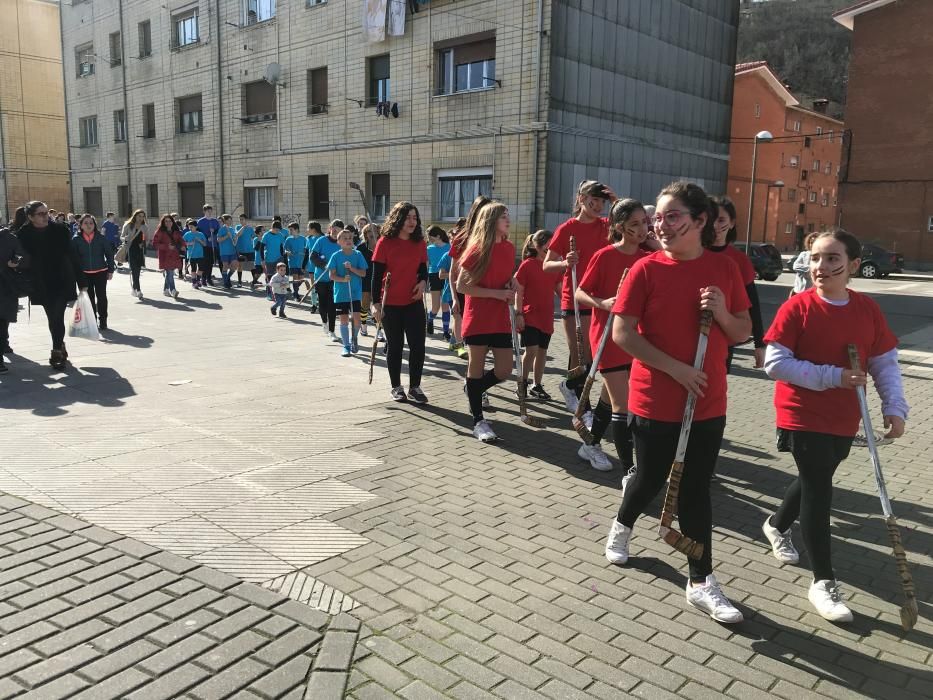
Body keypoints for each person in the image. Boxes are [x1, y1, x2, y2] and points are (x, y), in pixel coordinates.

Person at [604, 181, 751, 623]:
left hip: (708, 401)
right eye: (658, 218)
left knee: (694, 490)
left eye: (672, 217)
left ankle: (701, 581)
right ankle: (622, 525)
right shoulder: (644, 270)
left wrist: (723, 312)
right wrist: (676, 369)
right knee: (649, 479)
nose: (660, 226)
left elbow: (743, 330)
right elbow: (622, 333)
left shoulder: (724, 270)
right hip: (656, 399)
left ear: (700, 221)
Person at [762, 229, 908, 622]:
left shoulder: (866, 310)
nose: (820, 267)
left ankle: (776, 524)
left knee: (816, 478)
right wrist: (833, 376)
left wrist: (895, 407)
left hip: (845, 415)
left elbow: (884, 363)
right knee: (819, 489)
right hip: (801, 412)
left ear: (853, 265)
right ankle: (823, 581)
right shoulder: (798, 307)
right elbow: (774, 363)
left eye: (830, 258)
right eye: (814, 258)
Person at [575, 199, 650, 472]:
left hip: (634, 339)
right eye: (635, 224)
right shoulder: (605, 256)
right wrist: (603, 303)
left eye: (644, 222)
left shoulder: (646, 259)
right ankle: (630, 472)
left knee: (610, 397)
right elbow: (579, 292)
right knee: (624, 406)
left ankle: (590, 443)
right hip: (607, 339)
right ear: (620, 227)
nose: (642, 229)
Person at [543, 180, 617, 413]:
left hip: (601, 299)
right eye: (593, 200)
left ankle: (574, 391)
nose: (598, 205)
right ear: (581, 199)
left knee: (591, 353)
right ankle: (579, 400)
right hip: (575, 297)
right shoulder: (566, 229)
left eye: (602, 201)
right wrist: (565, 262)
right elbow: (547, 265)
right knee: (581, 352)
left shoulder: (607, 225)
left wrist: (616, 202)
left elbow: (625, 222)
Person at [458, 203, 518, 442]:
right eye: (504, 216)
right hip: (478, 319)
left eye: (508, 215)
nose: (508, 220)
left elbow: (503, 277)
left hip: (500, 318)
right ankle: (478, 420)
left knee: (505, 369)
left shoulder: (510, 247)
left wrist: (511, 283)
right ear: (491, 220)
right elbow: (462, 286)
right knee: (476, 366)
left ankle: (474, 388)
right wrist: (497, 294)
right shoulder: (477, 249)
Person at [15, 201, 85, 370]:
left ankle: (56, 352)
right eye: (41, 214)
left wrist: (82, 282)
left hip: (62, 279)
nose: (46, 216)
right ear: (30, 217)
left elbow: (73, 256)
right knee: (52, 317)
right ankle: (60, 344)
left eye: (46, 213)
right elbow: (19, 256)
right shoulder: (23, 234)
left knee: (57, 315)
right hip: (40, 282)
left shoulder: (60, 230)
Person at [372, 202, 429, 404]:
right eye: (408, 218)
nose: (412, 222)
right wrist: (375, 303)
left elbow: (423, 269)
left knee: (418, 346)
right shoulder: (385, 242)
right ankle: (396, 387)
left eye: (415, 218)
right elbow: (376, 274)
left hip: (413, 302)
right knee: (395, 346)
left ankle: (415, 386)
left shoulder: (420, 243)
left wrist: (423, 282)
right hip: (390, 303)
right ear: (398, 219)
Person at [710, 196, 765, 370]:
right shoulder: (692, 252)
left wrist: (759, 344)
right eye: (711, 220)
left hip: (727, 335)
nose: (715, 225)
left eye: (721, 220)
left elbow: (753, 303)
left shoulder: (739, 260)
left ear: (732, 223)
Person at [514, 230, 561, 400]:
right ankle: (522, 382)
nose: (549, 251)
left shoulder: (554, 266)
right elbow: (519, 290)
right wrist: (518, 313)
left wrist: (571, 303)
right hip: (529, 314)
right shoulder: (528, 265)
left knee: (542, 351)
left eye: (552, 247)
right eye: (546, 247)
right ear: (537, 246)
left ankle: (537, 385)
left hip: (546, 316)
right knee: (531, 350)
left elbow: (560, 289)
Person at [328, 229, 369, 357]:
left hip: (355, 293)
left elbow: (363, 273)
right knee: (344, 320)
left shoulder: (358, 255)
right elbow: (332, 276)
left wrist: (352, 269)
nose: (348, 240)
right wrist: (343, 279)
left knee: (357, 320)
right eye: (345, 238)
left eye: (350, 238)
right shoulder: (335, 256)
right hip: (340, 294)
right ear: (339, 241)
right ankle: (346, 346)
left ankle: (354, 338)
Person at [71, 213, 115, 329]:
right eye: (85, 223)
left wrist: (110, 270)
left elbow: (109, 254)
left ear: (94, 225)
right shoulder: (76, 240)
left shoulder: (101, 238)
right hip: (84, 275)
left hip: (101, 272)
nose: (88, 225)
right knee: (89, 299)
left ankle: (103, 320)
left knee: (102, 297)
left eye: (91, 223)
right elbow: (73, 259)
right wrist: (75, 274)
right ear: (80, 225)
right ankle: (92, 321)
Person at [0, 225, 27, 371]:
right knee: (2, 323)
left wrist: (15, 262)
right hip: (7, 287)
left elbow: (22, 256)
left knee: (2, 322)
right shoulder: (10, 237)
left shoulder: (9, 238)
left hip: (6, 286)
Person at [310, 220, 342, 341]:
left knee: (332, 306)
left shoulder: (342, 242)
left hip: (335, 279)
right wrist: (324, 265)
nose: (335, 231)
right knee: (322, 304)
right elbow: (312, 256)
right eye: (333, 228)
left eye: (338, 229)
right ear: (329, 229)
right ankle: (324, 322)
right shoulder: (321, 240)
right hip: (321, 278)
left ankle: (332, 331)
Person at [425, 226, 452, 336]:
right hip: (433, 276)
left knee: (445, 305)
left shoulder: (449, 247)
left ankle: (446, 332)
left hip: (445, 275)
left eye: (430, 237)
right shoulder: (429, 249)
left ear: (438, 236)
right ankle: (430, 319)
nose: (429, 239)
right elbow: (426, 264)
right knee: (436, 307)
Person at [152, 214, 184, 299]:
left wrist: (183, 246)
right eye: (166, 221)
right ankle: (173, 290)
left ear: (172, 222)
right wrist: (166, 246)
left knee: (169, 273)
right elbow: (155, 244)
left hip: (174, 255)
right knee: (170, 273)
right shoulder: (160, 231)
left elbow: (181, 240)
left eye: (170, 221)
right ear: (163, 222)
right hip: (165, 256)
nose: (168, 223)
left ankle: (166, 289)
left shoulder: (176, 231)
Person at [357, 223, 378, 337]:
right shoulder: (361, 248)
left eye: (374, 231)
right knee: (364, 305)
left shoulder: (382, 245)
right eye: (369, 231)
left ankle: (379, 330)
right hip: (365, 278)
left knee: (377, 305)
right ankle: (364, 326)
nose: (372, 233)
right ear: (365, 234)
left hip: (378, 278)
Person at [121, 209, 148, 299]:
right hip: (130, 249)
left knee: (137, 271)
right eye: (139, 216)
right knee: (134, 270)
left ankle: (134, 289)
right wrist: (126, 238)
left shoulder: (144, 226)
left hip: (139, 250)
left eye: (142, 216)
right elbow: (121, 237)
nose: (141, 218)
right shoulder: (128, 224)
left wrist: (143, 244)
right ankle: (139, 290)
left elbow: (146, 239)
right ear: (135, 215)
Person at [260, 220, 287, 300]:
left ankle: (282, 292)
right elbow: (261, 248)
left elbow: (282, 247)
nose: (278, 231)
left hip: (279, 258)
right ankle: (269, 293)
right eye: (276, 229)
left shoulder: (280, 235)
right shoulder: (266, 235)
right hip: (269, 259)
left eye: (279, 230)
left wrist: (283, 256)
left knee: (281, 275)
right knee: (270, 276)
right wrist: (262, 259)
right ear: (272, 228)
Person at [196, 205, 220, 285]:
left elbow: (217, 230)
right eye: (208, 211)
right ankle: (203, 278)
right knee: (204, 262)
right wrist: (207, 238)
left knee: (211, 263)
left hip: (213, 245)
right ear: (204, 212)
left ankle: (209, 278)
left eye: (210, 211)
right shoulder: (200, 221)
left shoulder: (215, 221)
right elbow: (198, 232)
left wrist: (213, 233)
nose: (209, 213)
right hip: (204, 245)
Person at [284, 222, 307, 300]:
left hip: (301, 263)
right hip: (292, 262)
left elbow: (307, 249)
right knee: (295, 279)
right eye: (289, 230)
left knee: (301, 280)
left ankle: (294, 292)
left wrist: (304, 253)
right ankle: (296, 295)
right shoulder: (288, 239)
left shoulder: (303, 239)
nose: (290, 231)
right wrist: (287, 252)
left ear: (296, 229)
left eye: (291, 230)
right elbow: (285, 249)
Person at [182, 218, 206, 289]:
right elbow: (182, 243)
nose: (190, 228)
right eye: (189, 227)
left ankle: (198, 280)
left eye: (192, 227)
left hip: (200, 254)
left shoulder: (200, 234)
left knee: (201, 268)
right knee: (193, 268)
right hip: (191, 254)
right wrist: (189, 243)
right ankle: (194, 282)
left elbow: (204, 244)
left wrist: (199, 240)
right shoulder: (187, 234)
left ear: (196, 227)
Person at [791, 232, 817, 297]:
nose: (812, 244)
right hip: (799, 289)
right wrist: (811, 268)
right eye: (810, 242)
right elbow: (795, 266)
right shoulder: (804, 254)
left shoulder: (821, 256)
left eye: (814, 242)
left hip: (812, 291)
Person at [216, 214, 238, 288]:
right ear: (225, 221)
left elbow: (234, 239)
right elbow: (218, 240)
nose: (230, 221)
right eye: (229, 220)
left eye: (231, 219)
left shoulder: (232, 229)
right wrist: (226, 236)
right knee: (225, 266)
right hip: (224, 251)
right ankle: (226, 282)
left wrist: (235, 238)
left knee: (235, 266)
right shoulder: (221, 229)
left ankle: (227, 278)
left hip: (232, 251)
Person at [305, 222, 323, 312]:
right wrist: (303, 265)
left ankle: (322, 304)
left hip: (321, 267)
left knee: (321, 286)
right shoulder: (308, 239)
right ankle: (314, 304)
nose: (307, 230)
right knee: (313, 286)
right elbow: (306, 253)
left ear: (313, 229)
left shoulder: (323, 239)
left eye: (308, 228)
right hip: (311, 267)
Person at [234, 214, 255, 287]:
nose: (241, 220)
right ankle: (239, 282)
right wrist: (243, 227)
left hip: (250, 250)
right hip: (241, 250)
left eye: (242, 219)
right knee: (240, 266)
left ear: (246, 220)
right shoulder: (238, 227)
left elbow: (254, 237)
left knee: (252, 265)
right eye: (240, 219)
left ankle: (254, 281)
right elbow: (237, 235)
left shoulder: (250, 228)